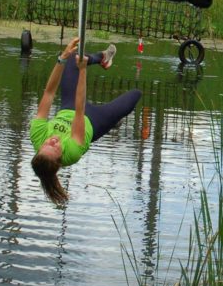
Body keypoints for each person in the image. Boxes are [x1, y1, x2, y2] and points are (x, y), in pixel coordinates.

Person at [30, 39, 141, 204]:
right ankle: (113, 122)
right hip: (93, 121)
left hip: (68, 107)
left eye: (47, 144)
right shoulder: (72, 153)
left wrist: (61, 59)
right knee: (135, 95)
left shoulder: (37, 135)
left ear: (39, 148)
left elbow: (49, 93)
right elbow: (80, 110)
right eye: (55, 147)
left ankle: (103, 57)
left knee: (73, 57)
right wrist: (82, 70)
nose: (53, 140)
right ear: (60, 158)